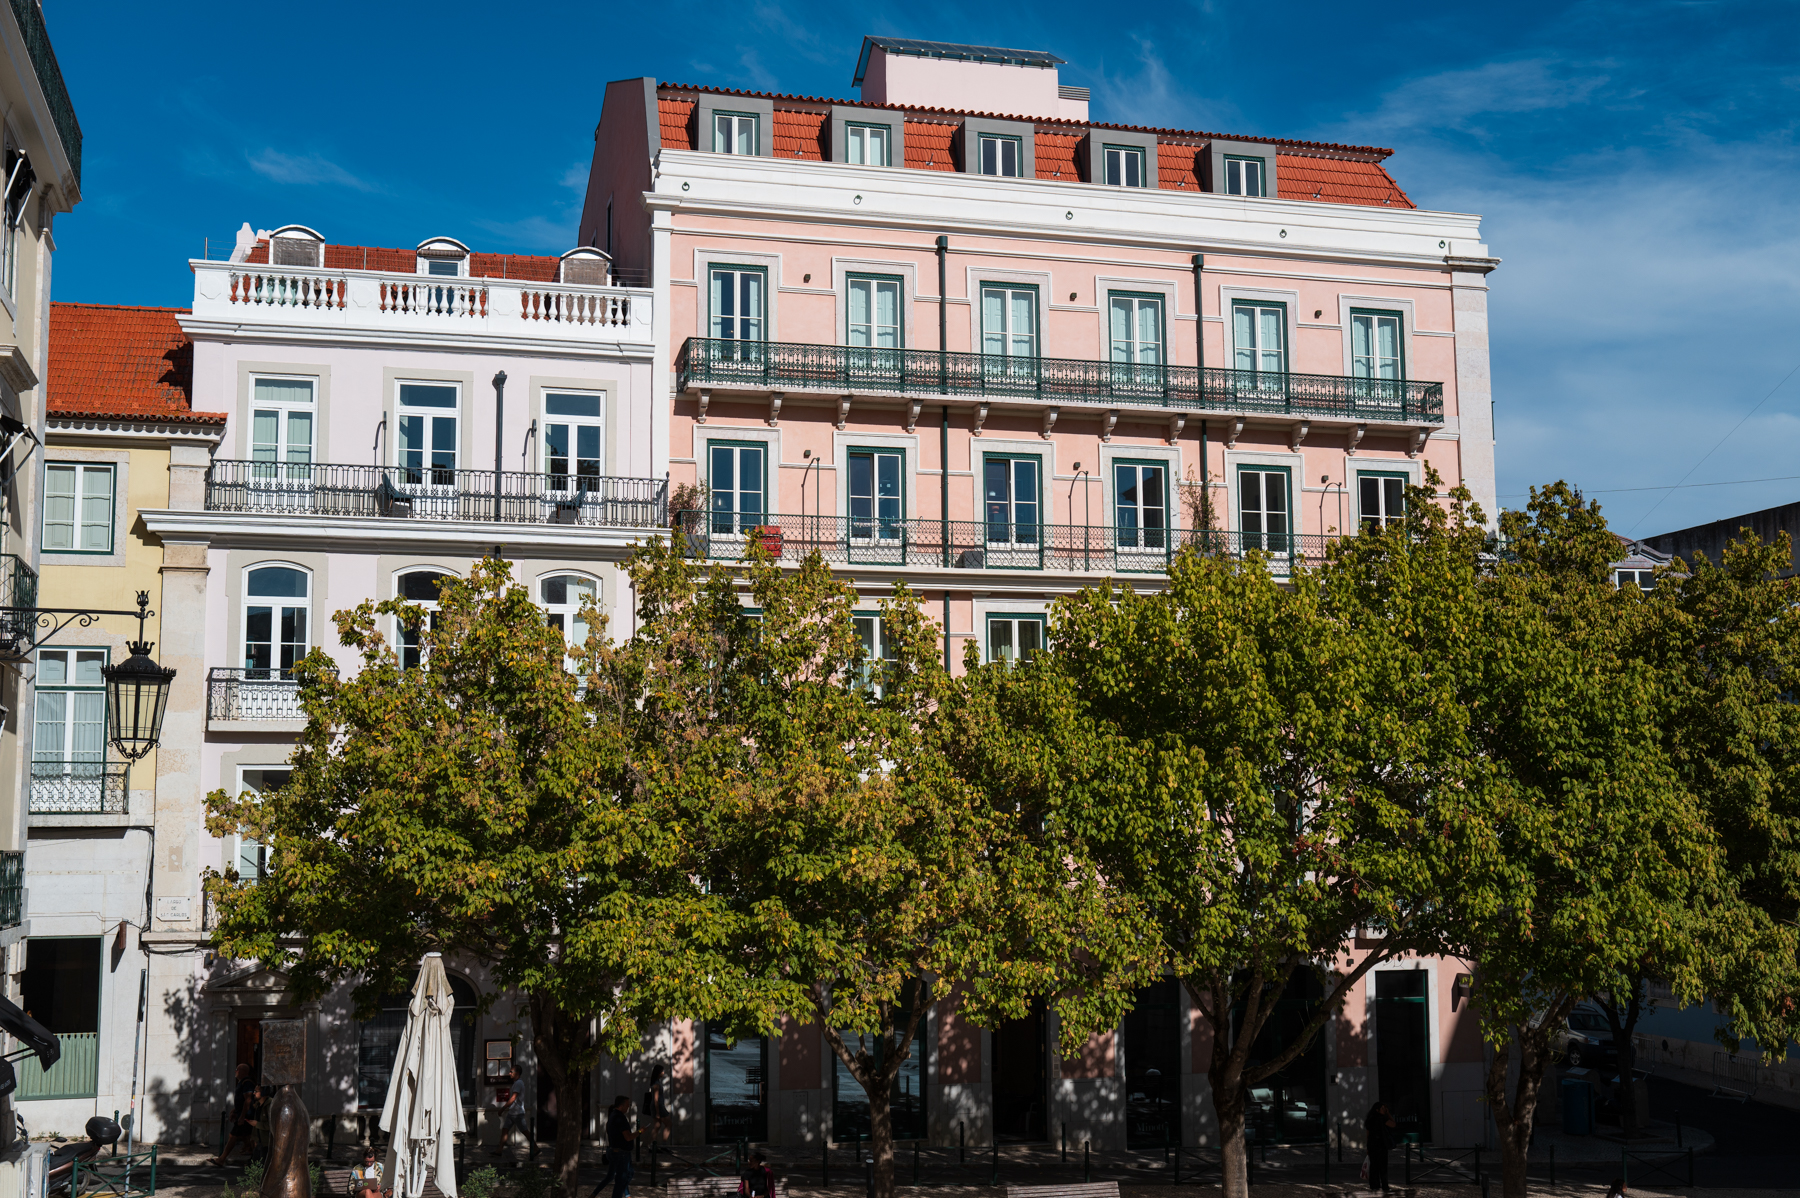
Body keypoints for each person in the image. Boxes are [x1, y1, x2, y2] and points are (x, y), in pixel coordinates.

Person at [208, 1063, 258, 1166]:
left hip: (246, 1115)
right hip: (243, 1114)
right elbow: (242, 1101)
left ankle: (222, 1159)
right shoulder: (242, 1082)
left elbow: (248, 1100)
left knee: (233, 1136)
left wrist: (242, 1116)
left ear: (243, 1072)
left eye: (237, 1070)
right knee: (249, 1137)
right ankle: (256, 1159)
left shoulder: (247, 1083)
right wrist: (235, 1110)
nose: (235, 1072)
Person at [589, 1095, 636, 1198]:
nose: (628, 1107)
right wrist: (640, 1131)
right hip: (621, 1152)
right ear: (622, 1105)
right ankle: (626, 1195)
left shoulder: (612, 1118)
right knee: (623, 1177)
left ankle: (594, 1194)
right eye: (627, 1105)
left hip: (613, 1151)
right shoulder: (620, 1118)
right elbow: (628, 1137)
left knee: (616, 1176)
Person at [493, 1066, 531, 1157]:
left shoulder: (518, 1083)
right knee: (505, 1130)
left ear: (517, 1073)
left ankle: (536, 1148)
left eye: (511, 1072)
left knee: (525, 1132)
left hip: (517, 1113)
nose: (509, 1073)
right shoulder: (517, 1083)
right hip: (512, 1112)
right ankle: (499, 1150)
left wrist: (502, 1108)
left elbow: (513, 1098)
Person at [1364, 1101, 1397, 1193]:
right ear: (1377, 1110)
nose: (1384, 1110)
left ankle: (1374, 1185)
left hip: (1372, 1145)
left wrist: (1367, 1147)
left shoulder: (1369, 1119)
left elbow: (1368, 1135)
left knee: (1374, 1166)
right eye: (1383, 1108)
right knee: (1382, 1166)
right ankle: (1384, 1186)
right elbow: (1393, 1124)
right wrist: (1388, 1114)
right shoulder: (1383, 1118)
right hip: (1381, 1145)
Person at [641, 1066, 671, 1150]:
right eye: (662, 1071)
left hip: (657, 1107)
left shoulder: (656, 1082)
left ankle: (651, 1145)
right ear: (658, 1072)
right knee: (668, 1124)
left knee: (657, 1126)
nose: (663, 1073)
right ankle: (663, 1145)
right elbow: (656, 1100)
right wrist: (657, 1112)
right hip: (659, 1107)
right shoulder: (657, 1084)